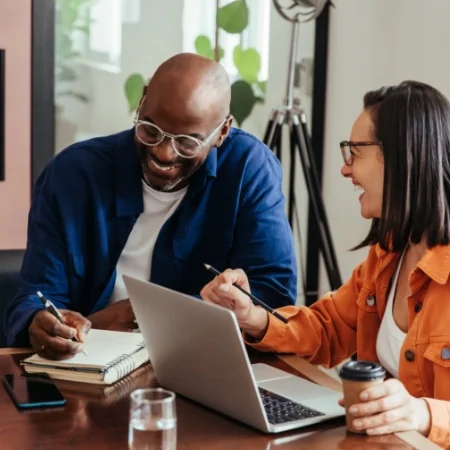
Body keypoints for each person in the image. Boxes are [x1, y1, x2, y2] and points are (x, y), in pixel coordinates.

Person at [201, 81, 450, 447]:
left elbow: (422, 414)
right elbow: (329, 328)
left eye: (354, 153)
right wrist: (252, 317)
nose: (344, 170)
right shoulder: (388, 254)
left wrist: (423, 414)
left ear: (402, 157)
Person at [5, 53, 297, 359]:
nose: (163, 153)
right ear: (142, 102)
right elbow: (36, 295)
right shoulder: (72, 175)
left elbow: (273, 299)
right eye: (150, 129)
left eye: (187, 142)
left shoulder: (248, 170)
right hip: (87, 367)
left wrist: (150, 317)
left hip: (200, 365)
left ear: (222, 131)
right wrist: (41, 322)